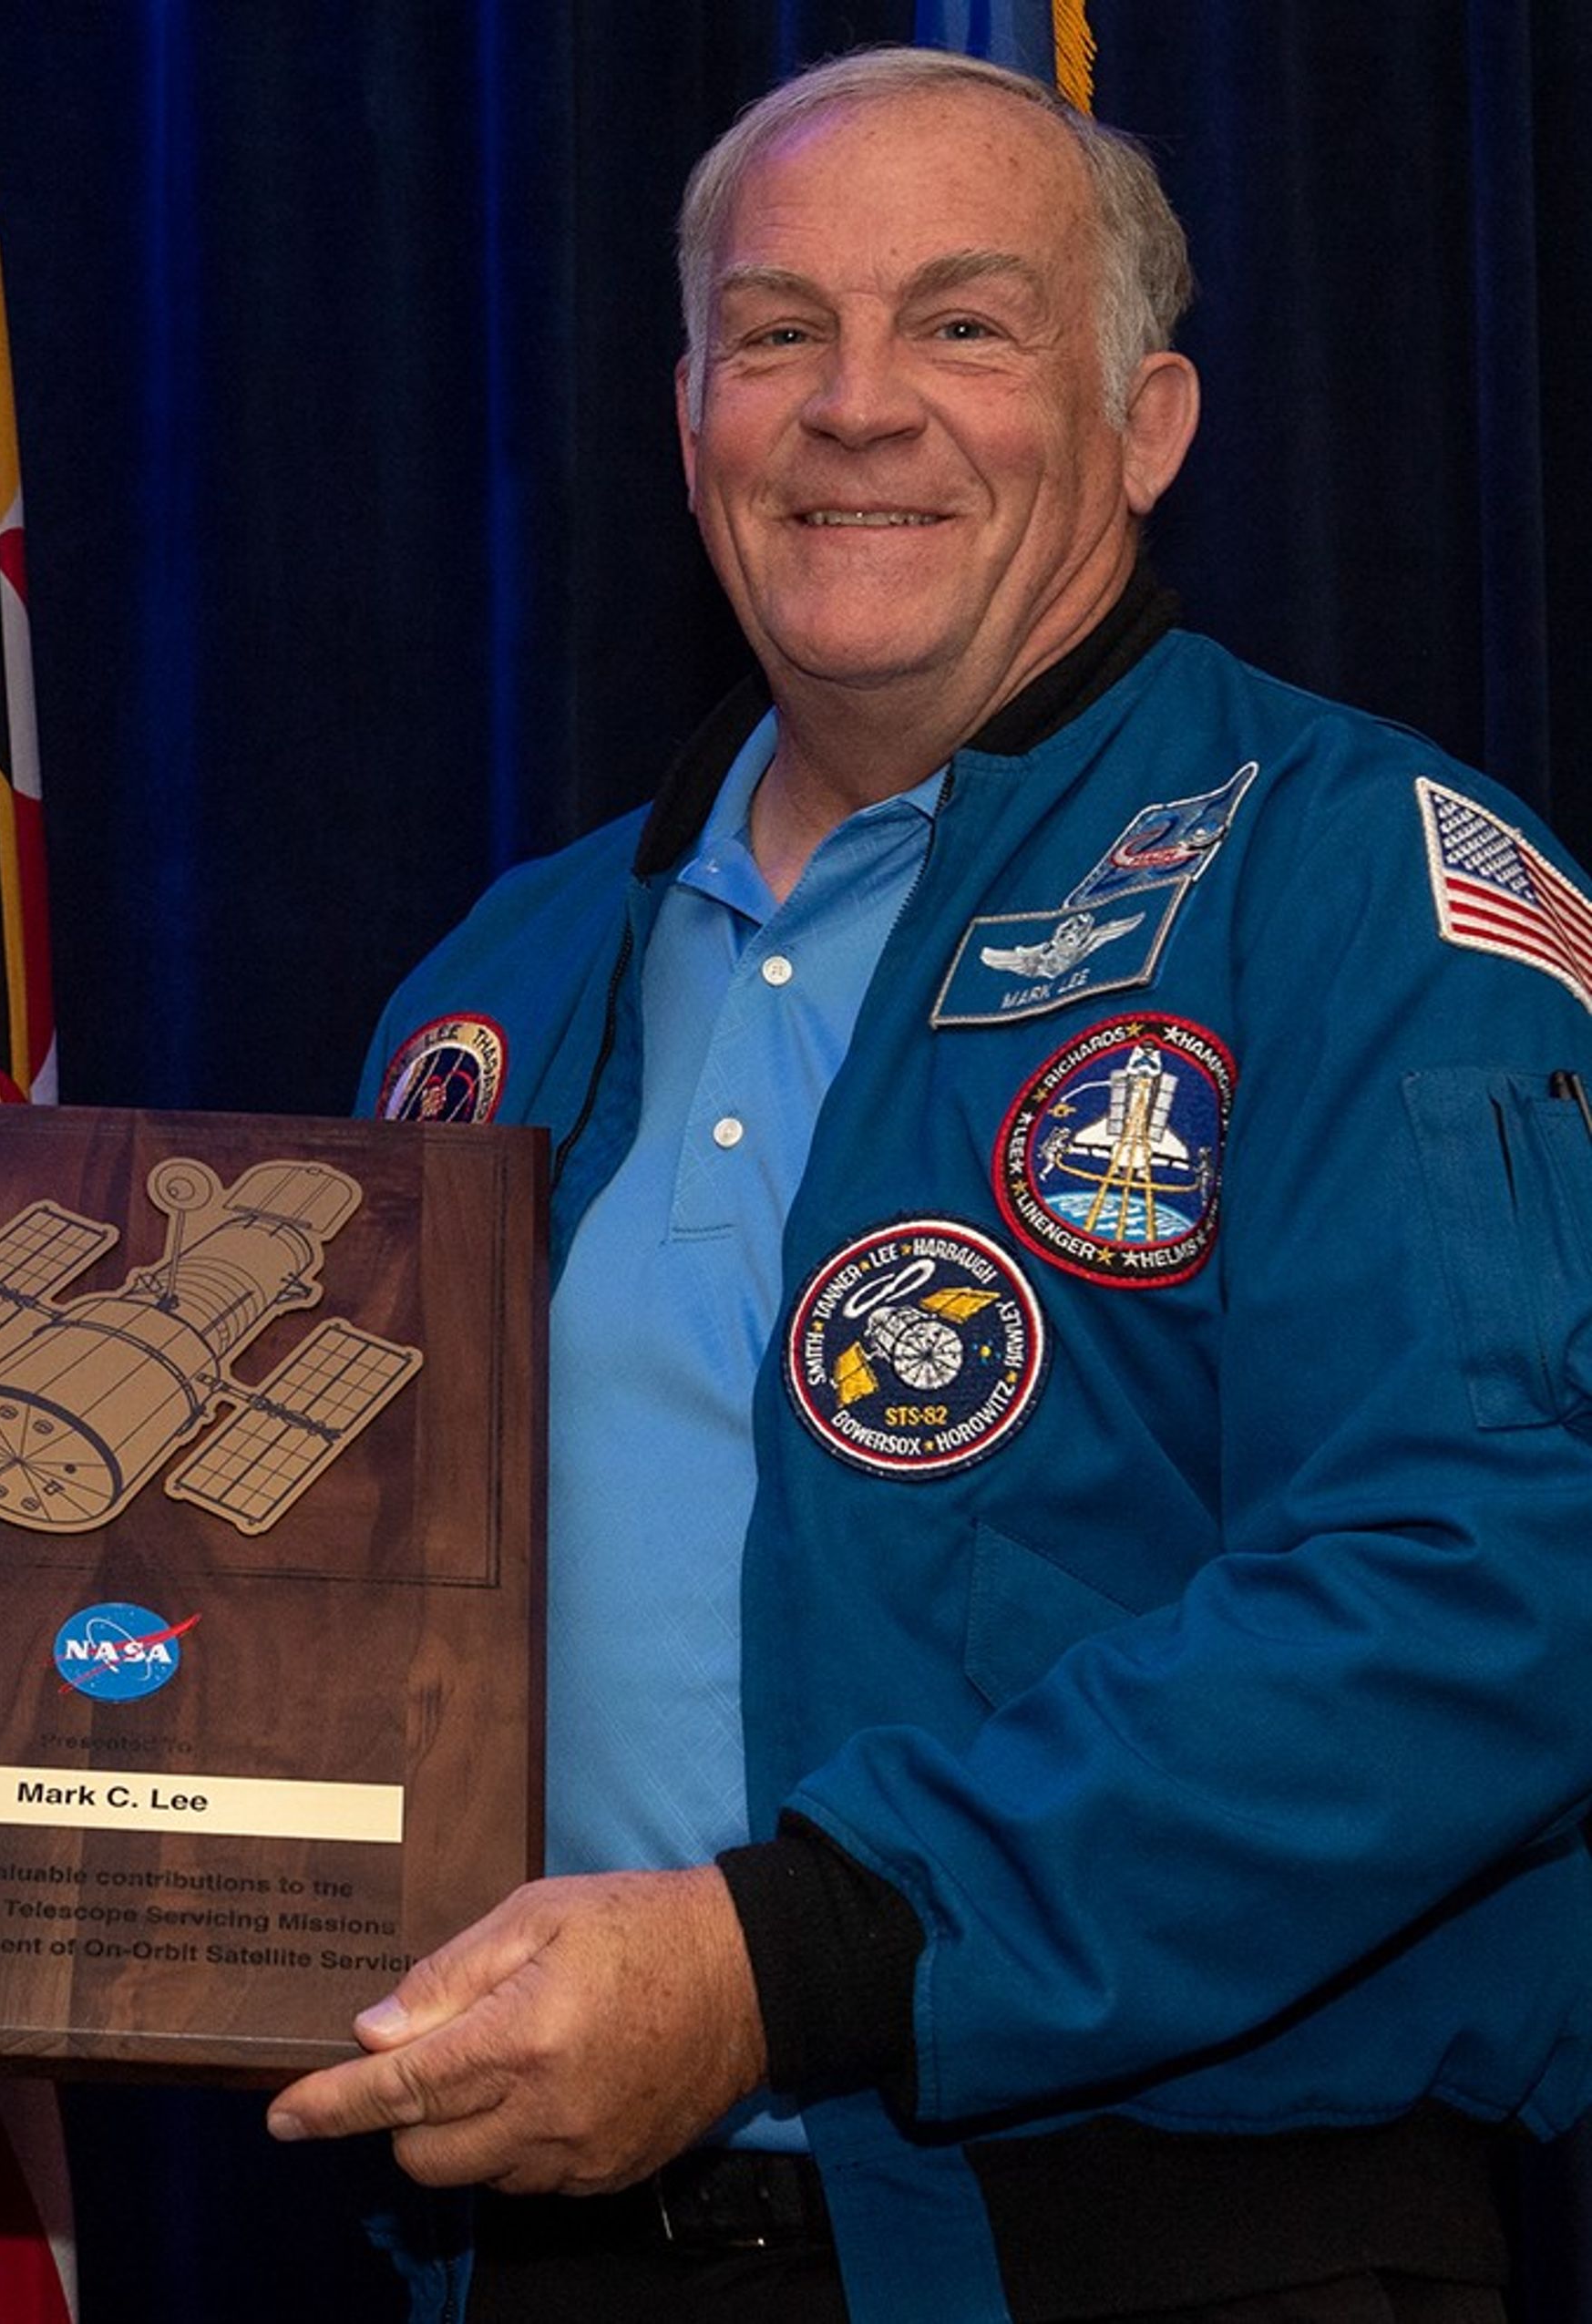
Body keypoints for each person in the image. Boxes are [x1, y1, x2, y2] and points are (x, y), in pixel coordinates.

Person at [267, 46, 1592, 2324]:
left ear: (1145, 423)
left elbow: (1490, 1575)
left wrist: (799, 1963)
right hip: (553, 2257)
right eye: (777, 331)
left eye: (963, 326)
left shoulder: (1363, 879)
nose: (854, 405)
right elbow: (321, 1598)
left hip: (1180, 2259)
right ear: (691, 423)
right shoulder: (500, 982)